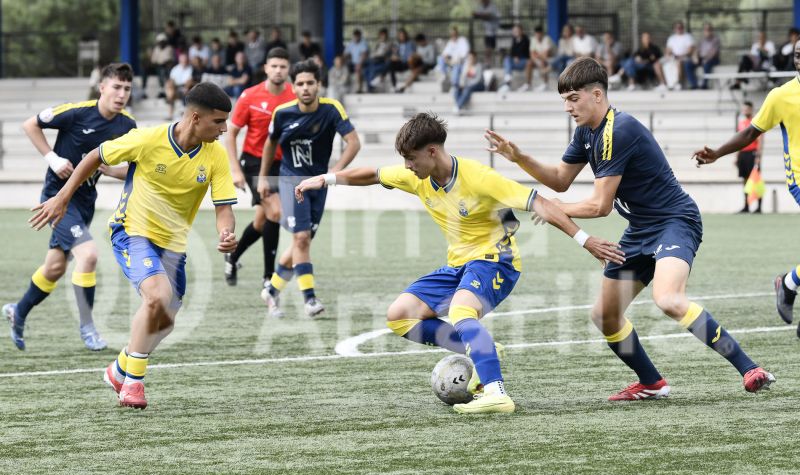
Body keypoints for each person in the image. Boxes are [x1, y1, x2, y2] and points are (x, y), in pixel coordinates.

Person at [294, 112, 625, 414]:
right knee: (399, 316)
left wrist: (586, 240)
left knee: (461, 312)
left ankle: (496, 392)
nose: (408, 166)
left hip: (497, 261)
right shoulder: (417, 176)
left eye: (411, 159)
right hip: (458, 265)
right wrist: (327, 179)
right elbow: (374, 174)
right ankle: (481, 345)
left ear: (433, 151)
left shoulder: (480, 177)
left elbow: (540, 203)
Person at [486, 57, 775, 400]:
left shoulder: (618, 130)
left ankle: (750, 368)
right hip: (640, 229)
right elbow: (561, 180)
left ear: (597, 95)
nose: (567, 107)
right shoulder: (587, 133)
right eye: (564, 99)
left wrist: (553, 210)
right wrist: (519, 157)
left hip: (674, 221)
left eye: (573, 98)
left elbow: (599, 206)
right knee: (604, 316)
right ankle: (652, 383)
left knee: (667, 299)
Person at [29, 83, 239, 410]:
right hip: (132, 231)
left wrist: (226, 234)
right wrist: (62, 196)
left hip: (174, 245)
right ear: (196, 118)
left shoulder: (216, 156)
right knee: (156, 296)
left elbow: (224, 208)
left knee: (165, 320)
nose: (224, 129)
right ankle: (133, 384)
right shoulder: (148, 139)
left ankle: (120, 368)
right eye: (218, 122)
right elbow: (95, 156)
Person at [2, 63, 137, 352]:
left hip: (86, 201)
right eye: (116, 86)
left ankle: (18, 311)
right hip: (58, 198)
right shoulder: (77, 112)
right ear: (102, 87)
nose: (121, 93)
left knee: (54, 267)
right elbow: (30, 124)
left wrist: (110, 170)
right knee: (88, 255)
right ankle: (88, 327)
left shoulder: (127, 125)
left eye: (127, 88)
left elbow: (130, 169)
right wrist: (53, 159)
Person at [693, 40, 800, 339]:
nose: (799, 58)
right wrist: (717, 153)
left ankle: (788, 283)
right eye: (796, 54)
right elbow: (752, 132)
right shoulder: (781, 95)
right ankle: (788, 284)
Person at [257, 60, 361, 318]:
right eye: (300, 83)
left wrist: (334, 173)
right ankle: (310, 299)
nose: (305, 88)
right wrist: (262, 178)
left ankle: (271, 290)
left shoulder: (332, 109)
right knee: (301, 238)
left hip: (320, 183)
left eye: (310, 83)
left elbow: (353, 143)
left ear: (319, 85)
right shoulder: (282, 113)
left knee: (300, 243)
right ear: (293, 87)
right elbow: (270, 145)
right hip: (291, 181)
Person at [223, 47, 295, 291]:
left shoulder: (295, 95)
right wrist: (235, 169)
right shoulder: (249, 96)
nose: (278, 70)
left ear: (288, 69)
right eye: (273, 65)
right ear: (265, 68)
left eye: (283, 66)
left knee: (261, 222)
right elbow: (230, 133)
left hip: (282, 165)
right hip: (253, 163)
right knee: (276, 212)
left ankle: (232, 258)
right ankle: (268, 277)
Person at [733, 101, 762, 213]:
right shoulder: (741, 123)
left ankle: (759, 206)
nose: (745, 111)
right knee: (745, 180)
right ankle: (746, 206)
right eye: (743, 109)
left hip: (753, 154)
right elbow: (738, 141)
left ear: (751, 110)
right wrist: (736, 156)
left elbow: (760, 140)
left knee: (756, 180)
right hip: (743, 154)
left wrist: (758, 156)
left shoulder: (756, 122)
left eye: (747, 109)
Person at [437, 26, 471, 93]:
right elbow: (444, 54)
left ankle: (454, 85)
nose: (453, 36)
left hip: (460, 62)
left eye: (454, 34)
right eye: (451, 34)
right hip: (451, 62)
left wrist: (455, 61)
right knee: (440, 58)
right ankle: (444, 75)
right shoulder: (450, 42)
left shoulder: (463, 40)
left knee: (456, 66)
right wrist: (448, 60)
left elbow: (464, 54)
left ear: (457, 33)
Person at [498, 24, 530, 93]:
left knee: (509, 62)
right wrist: (515, 57)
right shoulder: (514, 40)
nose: (515, 32)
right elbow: (512, 52)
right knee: (507, 59)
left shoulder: (525, 39)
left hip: (523, 61)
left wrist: (517, 56)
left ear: (521, 31)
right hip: (515, 61)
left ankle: (507, 81)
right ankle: (508, 78)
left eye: (516, 31)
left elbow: (523, 51)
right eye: (514, 31)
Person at [665, 21, 695, 90]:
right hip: (673, 57)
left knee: (679, 62)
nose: (679, 29)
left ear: (683, 28)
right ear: (674, 29)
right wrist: (670, 55)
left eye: (680, 27)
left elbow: (690, 50)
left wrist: (681, 56)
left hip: (685, 58)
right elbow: (668, 50)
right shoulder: (671, 38)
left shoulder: (688, 37)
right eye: (677, 28)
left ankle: (677, 83)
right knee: (658, 64)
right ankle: (665, 84)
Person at [165, 53, 195, 120]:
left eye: (185, 60)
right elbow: (171, 80)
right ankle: (170, 114)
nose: (184, 61)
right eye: (183, 60)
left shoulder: (191, 68)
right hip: (176, 87)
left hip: (188, 87)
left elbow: (190, 80)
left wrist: (186, 87)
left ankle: (170, 99)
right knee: (169, 87)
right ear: (180, 60)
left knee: (188, 85)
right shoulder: (175, 69)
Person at [527, 25, 554, 92]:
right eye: (536, 33)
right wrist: (538, 57)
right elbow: (532, 54)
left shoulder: (547, 39)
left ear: (542, 33)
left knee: (542, 62)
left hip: (551, 59)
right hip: (539, 59)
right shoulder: (533, 39)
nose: (538, 35)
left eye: (539, 33)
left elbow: (546, 55)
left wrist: (537, 55)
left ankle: (545, 84)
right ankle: (528, 84)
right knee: (529, 63)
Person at [693, 23, 720, 90]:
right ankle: (694, 84)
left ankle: (704, 84)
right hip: (701, 58)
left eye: (709, 29)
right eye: (706, 29)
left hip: (712, 59)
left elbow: (713, 53)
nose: (707, 31)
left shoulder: (716, 40)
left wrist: (706, 59)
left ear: (712, 30)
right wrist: (695, 57)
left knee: (706, 64)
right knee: (688, 64)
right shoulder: (701, 40)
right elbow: (696, 51)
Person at [472, 0, 500, 66]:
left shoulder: (492, 6)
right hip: (488, 32)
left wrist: (480, 15)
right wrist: (479, 15)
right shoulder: (481, 7)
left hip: (496, 31)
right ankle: (488, 63)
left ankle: (495, 63)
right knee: (488, 48)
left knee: (494, 49)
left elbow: (488, 16)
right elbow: (475, 14)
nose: (481, 2)